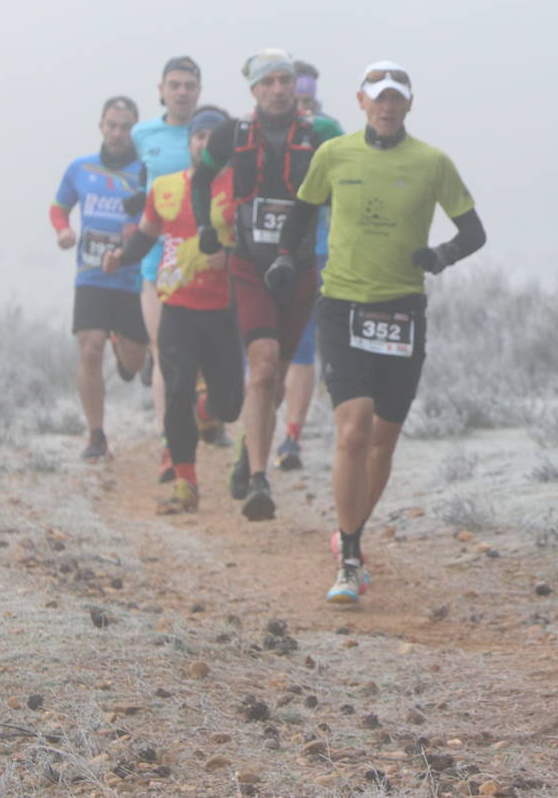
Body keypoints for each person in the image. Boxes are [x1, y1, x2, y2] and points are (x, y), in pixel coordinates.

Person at [271, 60, 485, 603]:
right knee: (352, 428)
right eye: (378, 96)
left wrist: (440, 255)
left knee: (382, 443)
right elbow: (301, 213)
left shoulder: (433, 163)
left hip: (402, 312)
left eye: (397, 97)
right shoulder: (334, 154)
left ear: (409, 104)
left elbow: (474, 231)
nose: (387, 105)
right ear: (361, 101)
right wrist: (283, 260)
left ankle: (350, 533)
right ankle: (349, 559)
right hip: (342, 305)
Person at [190, 48, 341, 520]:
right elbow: (201, 179)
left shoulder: (322, 133)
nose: (278, 90)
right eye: (268, 82)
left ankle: (246, 452)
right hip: (250, 264)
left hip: (300, 266)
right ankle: (259, 479)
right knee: (261, 367)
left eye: (284, 80)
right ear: (253, 90)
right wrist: (205, 229)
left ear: (295, 85)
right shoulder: (232, 133)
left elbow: (351, 183)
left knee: (274, 379)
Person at [132, 56, 227, 482]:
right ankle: (169, 448)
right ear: (161, 89)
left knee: (205, 361)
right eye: (175, 84)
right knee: (164, 355)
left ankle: (208, 412)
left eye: (190, 84)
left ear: (199, 90)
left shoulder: (215, 133)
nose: (182, 91)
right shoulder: (143, 134)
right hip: (159, 262)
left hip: (210, 262)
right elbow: (141, 181)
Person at [50, 96, 149, 460]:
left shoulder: (145, 172)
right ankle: (96, 435)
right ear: (101, 126)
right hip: (91, 277)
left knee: (134, 364)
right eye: (112, 125)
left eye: (125, 127)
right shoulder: (81, 168)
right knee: (89, 349)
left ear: (135, 129)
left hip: (132, 279)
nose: (118, 133)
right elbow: (59, 206)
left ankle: (128, 356)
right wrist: (62, 231)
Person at [275, 60, 342, 471]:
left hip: (318, 249)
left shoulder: (326, 131)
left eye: (306, 98)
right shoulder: (260, 129)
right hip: (267, 252)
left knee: (304, 344)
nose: (300, 106)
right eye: (293, 97)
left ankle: (291, 436)